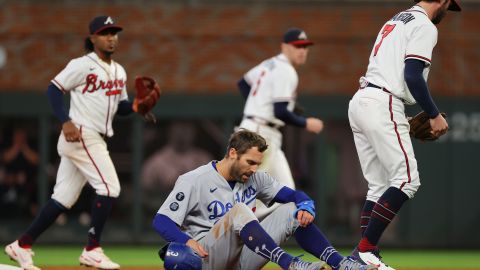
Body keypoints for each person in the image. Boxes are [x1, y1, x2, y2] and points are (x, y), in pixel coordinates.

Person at [4, 15, 136, 270]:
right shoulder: (82, 64)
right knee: (109, 188)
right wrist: (65, 120)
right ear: (92, 38)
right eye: (105, 33)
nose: (111, 37)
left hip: (93, 136)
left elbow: (121, 107)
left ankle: (22, 244)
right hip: (82, 133)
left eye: (114, 32)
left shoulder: (119, 70)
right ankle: (92, 249)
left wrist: (138, 106)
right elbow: (54, 89)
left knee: (63, 198)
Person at [152, 130, 377, 270]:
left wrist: (306, 204)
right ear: (232, 153)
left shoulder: (255, 178)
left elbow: (294, 195)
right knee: (239, 210)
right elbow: (161, 220)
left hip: (243, 259)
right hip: (208, 257)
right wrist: (186, 241)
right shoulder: (194, 180)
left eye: (258, 163)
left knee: (291, 210)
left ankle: (340, 264)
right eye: (250, 162)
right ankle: (289, 264)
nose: (255, 168)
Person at [348, 0, 459, 269]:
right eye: (449, 4)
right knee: (407, 179)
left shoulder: (395, 20)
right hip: (384, 101)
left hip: (362, 100)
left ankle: (364, 259)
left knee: (378, 185)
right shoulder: (424, 25)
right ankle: (365, 251)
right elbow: (412, 75)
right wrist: (433, 114)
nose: (448, 10)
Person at [237, 27, 324, 219]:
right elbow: (280, 111)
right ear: (284, 46)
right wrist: (305, 123)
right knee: (250, 194)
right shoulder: (287, 71)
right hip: (261, 134)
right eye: (297, 46)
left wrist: (258, 103)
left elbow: (243, 83)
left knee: (288, 192)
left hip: (256, 128)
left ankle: (259, 237)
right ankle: (234, 233)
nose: (302, 51)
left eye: (305, 47)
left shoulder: (269, 64)